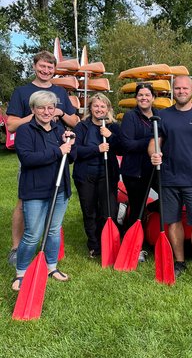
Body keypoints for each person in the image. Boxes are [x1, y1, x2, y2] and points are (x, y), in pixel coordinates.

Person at [6, 51, 79, 266]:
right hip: (33, 150)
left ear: (54, 69)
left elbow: (75, 121)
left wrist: (59, 113)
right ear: (34, 66)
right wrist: (38, 114)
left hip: (57, 149)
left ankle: (49, 251)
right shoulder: (22, 92)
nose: (46, 71)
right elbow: (11, 125)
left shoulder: (60, 92)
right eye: (42, 66)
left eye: (50, 67)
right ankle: (17, 248)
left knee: (56, 196)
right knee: (25, 202)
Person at [149, 75, 192, 284]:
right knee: (173, 221)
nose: (181, 91)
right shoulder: (163, 115)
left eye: (185, 88)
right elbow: (154, 143)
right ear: (173, 91)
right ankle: (179, 262)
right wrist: (153, 154)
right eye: (177, 88)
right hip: (169, 178)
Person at [12, 91, 76, 291]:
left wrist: (69, 143)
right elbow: (27, 159)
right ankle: (21, 273)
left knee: (54, 230)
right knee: (32, 234)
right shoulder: (25, 130)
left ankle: (51, 267)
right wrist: (58, 151)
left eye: (50, 108)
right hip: (35, 190)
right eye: (41, 108)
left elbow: (70, 158)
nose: (46, 112)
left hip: (59, 189)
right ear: (33, 109)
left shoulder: (59, 129)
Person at [73, 94, 121, 258]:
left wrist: (110, 136)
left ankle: (108, 241)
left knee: (109, 211)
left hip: (107, 174)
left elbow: (122, 148)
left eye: (102, 106)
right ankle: (94, 245)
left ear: (108, 109)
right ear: (90, 108)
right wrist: (97, 149)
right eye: (96, 106)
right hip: (86, 175)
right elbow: (75, 151)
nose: (99, 109)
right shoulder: (82, 127)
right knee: (90, 211)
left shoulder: (113, 127)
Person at [119, 83, 157, 261]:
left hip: (154, 169)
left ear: (153, 97)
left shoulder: (159, 115)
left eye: (147, 95)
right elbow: (127, 144)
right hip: (134, 171)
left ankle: (150, 214)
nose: (144, 98)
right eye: (140, 95)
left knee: (169, 197)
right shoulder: (130, 116)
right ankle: (135, 246)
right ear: (136, 98)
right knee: (137, 208)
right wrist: (152, 140)